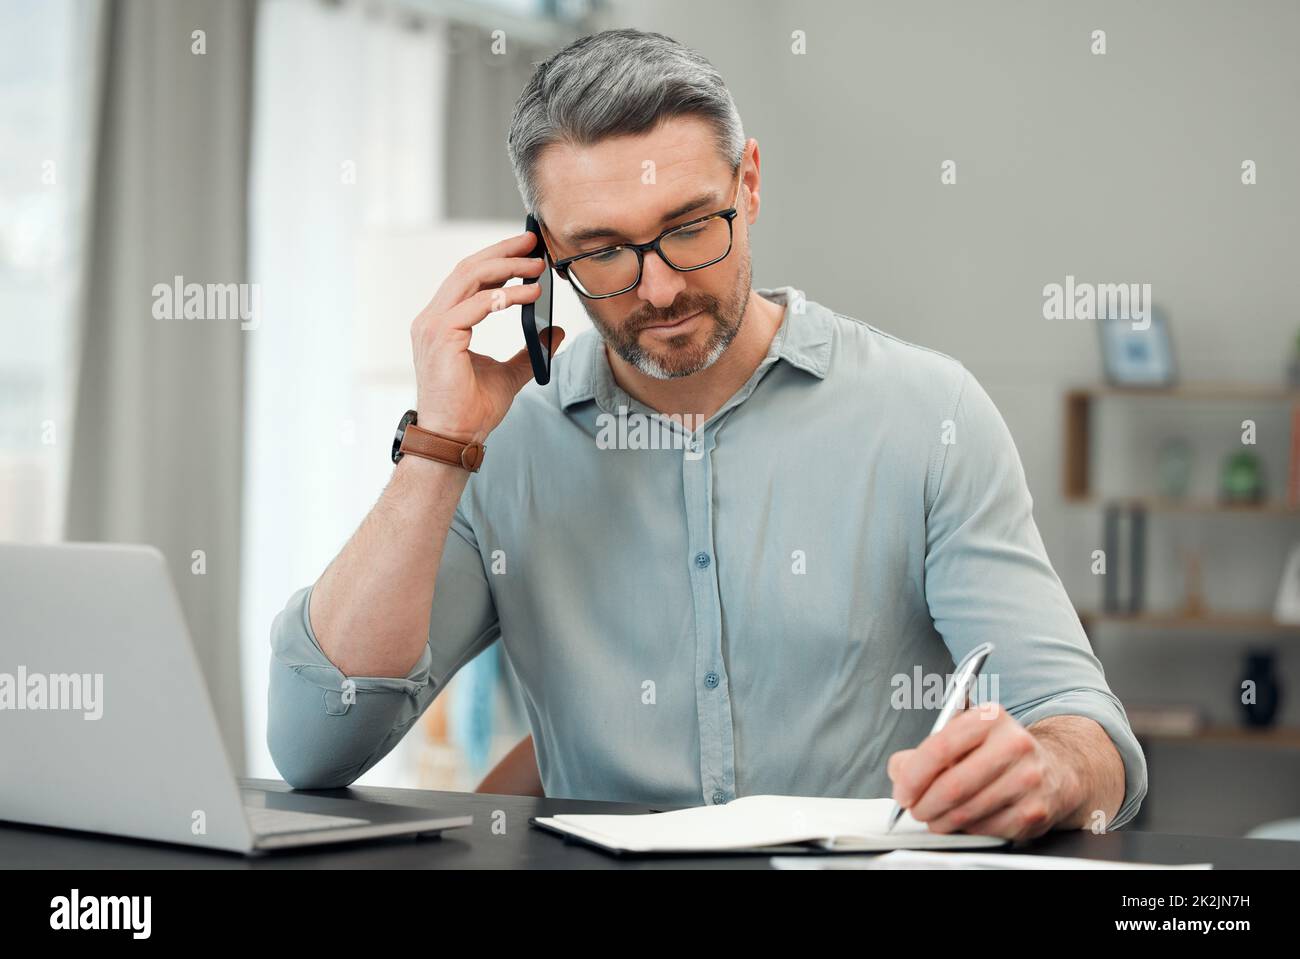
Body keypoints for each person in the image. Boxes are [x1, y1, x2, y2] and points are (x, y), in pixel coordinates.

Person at [267, 28, 1146, 841]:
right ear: (540, 255)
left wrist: (1053, 769)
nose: (655, 291)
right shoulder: (501, 449)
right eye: (601, 251)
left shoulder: (930, 415)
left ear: (749, 183)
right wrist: (436, 448)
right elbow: (313, 746)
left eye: (689, 228)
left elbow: (1083, 725)